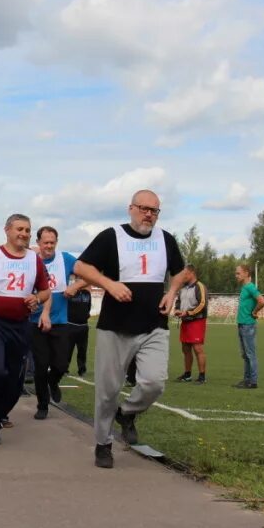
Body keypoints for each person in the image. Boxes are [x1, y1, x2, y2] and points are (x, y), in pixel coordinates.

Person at [73, 189, 186, 469]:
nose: (149, 214)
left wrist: (172, 292)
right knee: (107, 390)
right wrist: (109, 284)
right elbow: (80, 266)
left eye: (154, 210)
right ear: (131, 208)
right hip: (115, 326)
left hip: (154, 325)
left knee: (154, 382)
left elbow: (180, 271)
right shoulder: (112, 236)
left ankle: (127, 412)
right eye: (143, 208)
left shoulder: (165, 239)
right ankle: (103, 443)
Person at [0, 214, 50, 444]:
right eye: (19, 229)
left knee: (14, 382)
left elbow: (45, 291)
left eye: (27, 230)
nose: (23, 234)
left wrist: (36, 298)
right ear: (7, 230)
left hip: (20, 325)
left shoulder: (34, 260)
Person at [29, 226, 87, 420]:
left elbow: (89, 274)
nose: (49, 246)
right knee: (40, 365)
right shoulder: (30, 260)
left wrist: (76, 285)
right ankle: (42, 405)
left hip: (61, 321)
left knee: (61, 364)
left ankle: (53, 382)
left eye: (52, 242)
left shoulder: (65, 259)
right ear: (38, 243)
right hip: (35, 321)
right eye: (45, 242)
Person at [173, 264, 209, 384]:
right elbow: (178, 302)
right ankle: (187, 374)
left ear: (191, 273)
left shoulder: (200, 286)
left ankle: (202, 376)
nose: (183, 277)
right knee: (185, 348)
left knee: (197, 348)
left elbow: (202, 304)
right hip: (185, 321)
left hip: (197, 321)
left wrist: (189, 313)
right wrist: (177, 310)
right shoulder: (182, 288)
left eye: (184, 274)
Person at [235, 264, 264, 389]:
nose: (236, 275)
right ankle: (247, 379)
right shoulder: (244, 288)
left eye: (238, 273)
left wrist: (254, 312)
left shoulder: (250, 287)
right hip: (242, 324)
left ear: (246, 273)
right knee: (245, 354)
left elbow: (262, 301)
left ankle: (253, 381)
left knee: (250, 354)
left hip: (248, 325)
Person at [65, 283, 91, 377]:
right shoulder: (70, 292)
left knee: (82, 350)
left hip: (84, 327)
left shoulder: (87, 294)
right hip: (71, 325)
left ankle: (82, 370)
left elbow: (88, 307)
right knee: (68, 349)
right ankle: (64, 369)